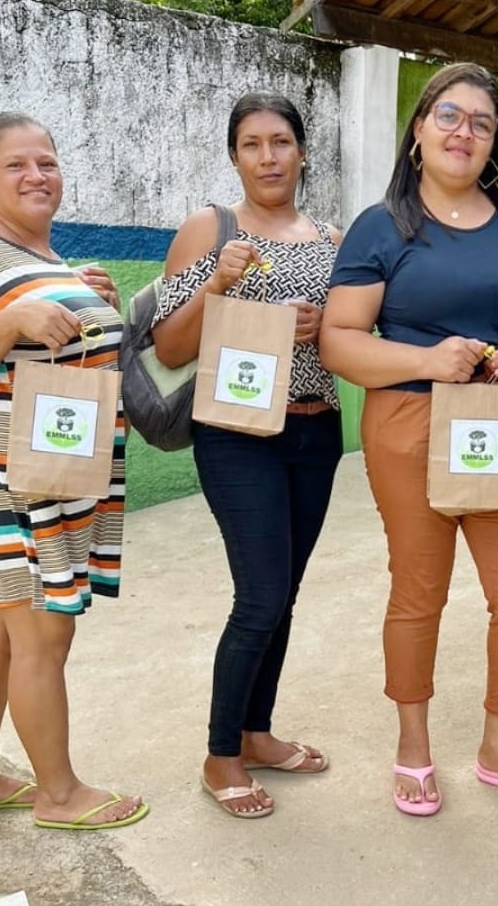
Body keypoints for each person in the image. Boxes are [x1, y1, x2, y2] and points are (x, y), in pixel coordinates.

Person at [321, 62, 498, 817]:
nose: (465, 132)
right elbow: (340, 341)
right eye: (449, 116)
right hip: (409, 425)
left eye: (482, 122)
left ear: (496, 142)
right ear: (419, 130)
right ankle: (413, 745)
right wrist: (426, 361)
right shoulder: (383, 226)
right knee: (420, 592)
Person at [0, 112, 148, 830]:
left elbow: (50, 339)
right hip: (10, 477)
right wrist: (10, 323)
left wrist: (91, 303)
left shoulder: (46, 259)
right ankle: (58, 792)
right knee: (43, 634)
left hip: (46, 472)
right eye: (16, 165)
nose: (36, 176)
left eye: (46, 162)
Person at [152, 92, 342, 819]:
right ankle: (219, 752)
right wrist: (219, 281)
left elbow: (348, 342)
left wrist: (325, 326)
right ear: (234, 156)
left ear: (300, 150)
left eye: (281, 142)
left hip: (316, 431)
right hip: (238, 437)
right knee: (260, 595)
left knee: (283, 595)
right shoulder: (213, 228)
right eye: (252, 144)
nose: (268, 157)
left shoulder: (329, 237)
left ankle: (256, 732)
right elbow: (169, 345)